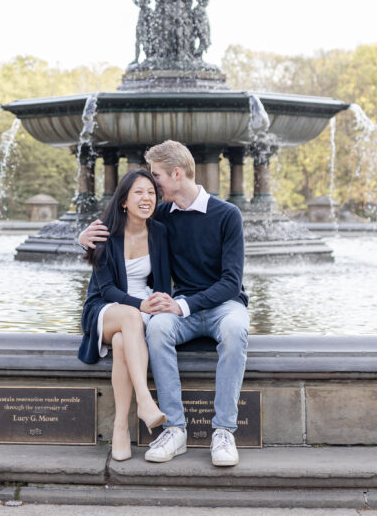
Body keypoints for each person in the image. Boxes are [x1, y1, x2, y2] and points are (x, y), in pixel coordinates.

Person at [79, 140, 249, 468]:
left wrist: (182, 306)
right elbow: (119, 222)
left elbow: (231, 283)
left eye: (156, 178)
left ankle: (224, 430)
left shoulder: (227, 215)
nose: (151, 187)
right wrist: (82, 237)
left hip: (223, 304)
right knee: (156, 327)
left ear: (175, 174)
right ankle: (174, 429)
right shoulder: (163, 214)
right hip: (179, 303)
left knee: (235, 327)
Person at [77, 168, 172, 461]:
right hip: (105, 308)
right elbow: (106, 290)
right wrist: (139, 306)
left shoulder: (159, 231)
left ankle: (120, 429)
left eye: (151, 193)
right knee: (129, 318)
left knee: (121, 343)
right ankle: (145, 401)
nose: (146, 198)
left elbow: (163, 283)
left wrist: (157, 303)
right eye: (139, 192)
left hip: (141, 308)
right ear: (123, 201)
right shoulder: (104, 232)